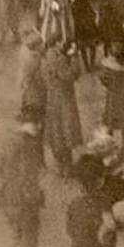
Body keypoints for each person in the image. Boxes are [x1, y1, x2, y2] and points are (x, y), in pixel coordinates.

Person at [0, 107, 46, 247]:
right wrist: (36, 196)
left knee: (14, 236)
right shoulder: (29, 145)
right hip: (25, 199)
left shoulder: (8, 141)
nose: (39, 128)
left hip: (8, 196)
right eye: (37, 124)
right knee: (31, 239)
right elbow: (30, 174)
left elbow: (2, 170)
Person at [66, 154, 118, 247]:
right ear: (101, 181)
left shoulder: (74, 204)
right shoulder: (106, 204)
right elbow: (110, 234)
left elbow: (70, 231)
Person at [42, 42, 83, 179]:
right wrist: (75, 57)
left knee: (57, 133)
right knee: (66, 132)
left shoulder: (46, 58)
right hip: (63, 100)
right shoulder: (59, 59)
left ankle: (61, 166)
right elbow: (71, 75)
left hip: (51, 99)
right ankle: (67, 168)